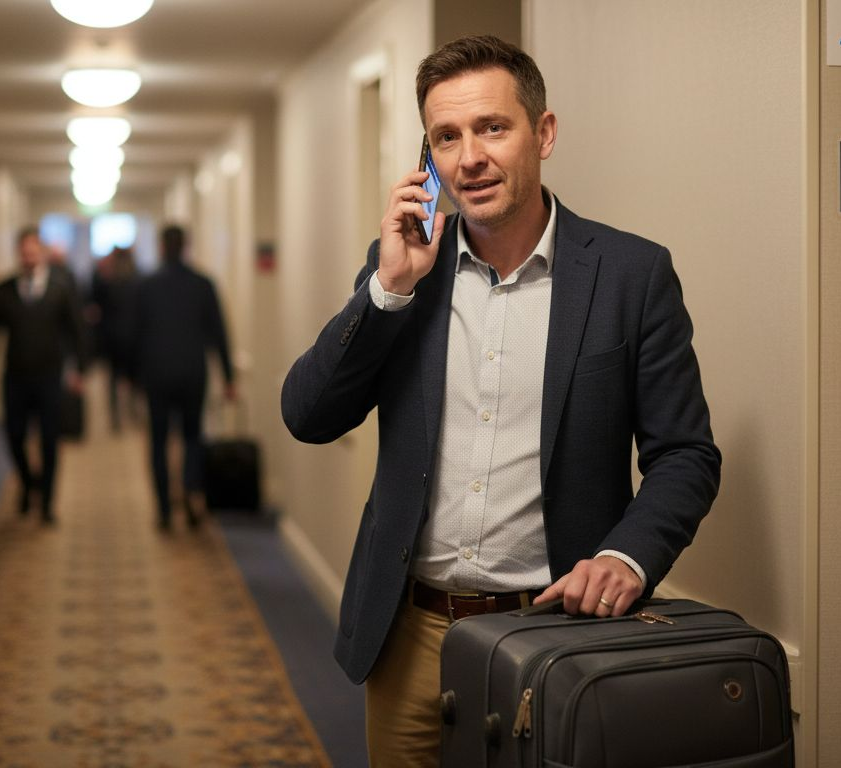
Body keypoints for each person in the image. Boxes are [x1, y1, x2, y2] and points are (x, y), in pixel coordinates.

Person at [280, 35, 720, 766]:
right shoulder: (402, 272)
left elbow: (686, 455)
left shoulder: (630, 275)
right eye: (446, 138)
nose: (469, 158)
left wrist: (627, 557)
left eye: (492, 127)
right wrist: (388, 291)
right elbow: (308, 414)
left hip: (557, 634)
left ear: (543, 134)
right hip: (411, 634)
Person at [0, 225, 87, 524]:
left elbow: (75, 330)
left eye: (34, 251)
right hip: (15, 376)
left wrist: (79, 369)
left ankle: (48, 502)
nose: (29, 257)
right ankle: (27, 483)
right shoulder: (4, 289)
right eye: (24, 252)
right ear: (19, 254)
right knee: (14, 436)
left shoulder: (59, 289)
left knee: (50, 439)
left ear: (43, 254)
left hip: (50, 376)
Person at [136, 225, 235, 531]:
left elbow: (135, 334)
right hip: (193, 373)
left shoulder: (147, 285)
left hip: (157, 375)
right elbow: (219, 333)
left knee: (158, 441)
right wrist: (229, 376)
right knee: (193, 436)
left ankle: (165, 508)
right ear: (186, 246)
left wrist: (133, 375)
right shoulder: (203, 284)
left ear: (162, 247)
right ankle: (192, 491)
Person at [91, 246, 142, 431]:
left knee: (113, 379)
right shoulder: (139, 280)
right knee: (133, 378)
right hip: (132, 338)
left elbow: (97, 309)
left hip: (113, 338)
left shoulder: (108, 281)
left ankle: (116, 417)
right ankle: (132, 411)